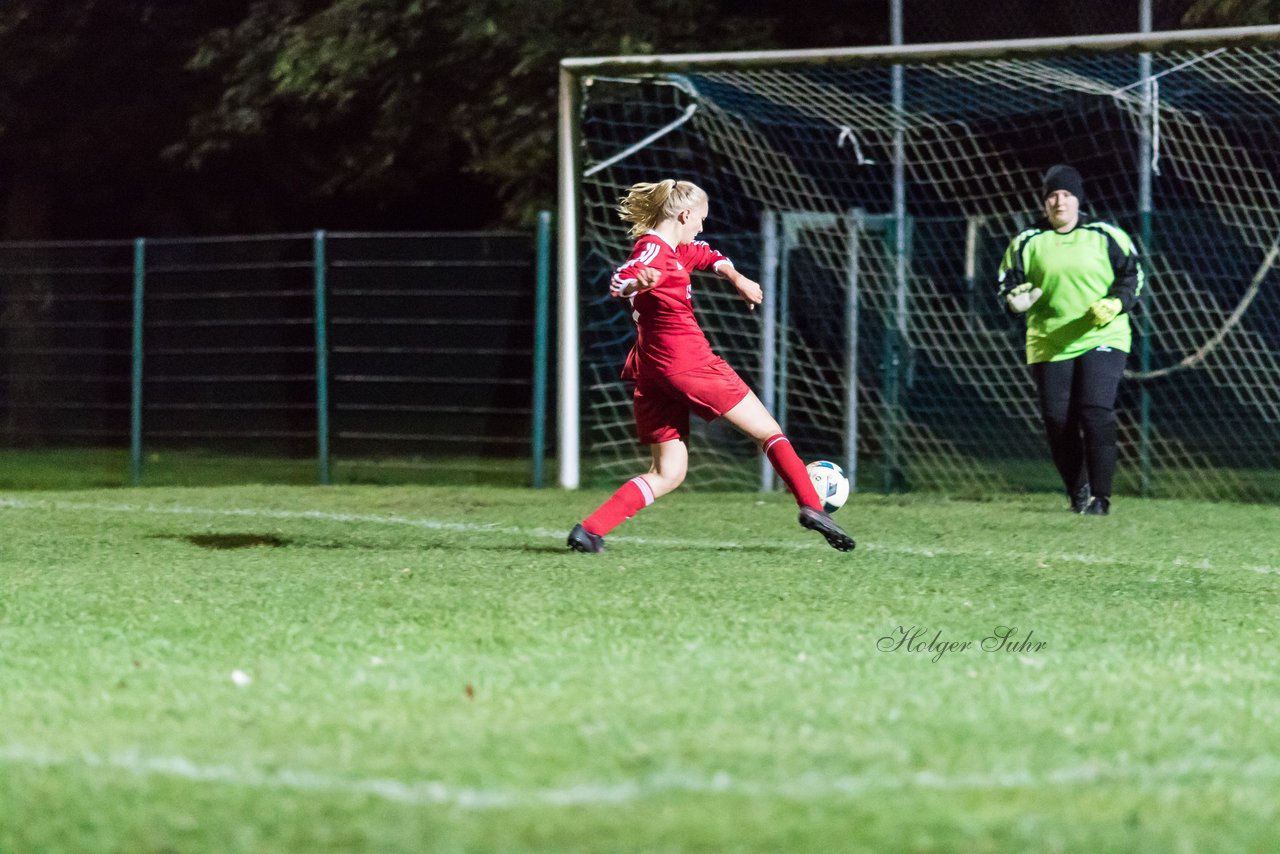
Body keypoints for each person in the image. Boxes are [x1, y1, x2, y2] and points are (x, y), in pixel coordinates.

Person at [567, 179, 855, 553]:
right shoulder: (653, 252)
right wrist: (635, 281)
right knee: (768, 431)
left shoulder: (672, 250)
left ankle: (589, 531)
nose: (701, 227)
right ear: (685, 214)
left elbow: (705, 253)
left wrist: (736, 277)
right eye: (700, 219)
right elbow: (619, 280)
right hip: (689, 362)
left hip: (652, 370)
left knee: (668, 472)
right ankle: (812, 508)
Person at [998, 165, 1145, 516]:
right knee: (1058, 421)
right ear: (1044, 202)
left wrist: (1115, 304)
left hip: (1103, 335)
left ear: (1078, 200)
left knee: (1095, 411)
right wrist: (1014, 300)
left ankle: (1101, 498)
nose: (1059, 201)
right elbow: (1007, 285)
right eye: (1052, 195)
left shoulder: (1105, 234)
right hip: (1049, 341)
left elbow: (1132, 275)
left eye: (1066, 195)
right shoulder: (1028, 241)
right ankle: (1077, 490)